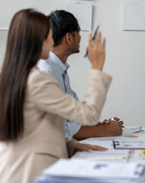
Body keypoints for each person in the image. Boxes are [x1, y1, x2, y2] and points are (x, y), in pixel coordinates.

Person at [0, 9, 111, 183]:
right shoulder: (38, 79)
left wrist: (72, 145)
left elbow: (35, 128)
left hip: (13, 171)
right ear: (37, 41)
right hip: (24, 173)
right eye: (48, 35)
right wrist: (97, 67)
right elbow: (88, 114)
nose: (52, 40)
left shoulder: (16, 75)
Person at [37, 10, 123, 140]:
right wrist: (105, 131)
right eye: (79, 32)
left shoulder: (59, 69)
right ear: (69, 38)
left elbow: (77, 115)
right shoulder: (47, 72)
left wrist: (98, 126)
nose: (81, 38)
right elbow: (64, 129)